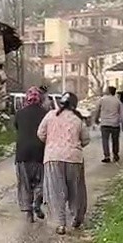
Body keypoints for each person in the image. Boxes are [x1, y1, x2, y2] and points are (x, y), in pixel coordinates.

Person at [38, 91, 90, 235]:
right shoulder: (77, 119)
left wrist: (52, 143)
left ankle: (60, 223)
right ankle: (76, 218)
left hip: (53, 157)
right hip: (74, 158)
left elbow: (40, 134)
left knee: (56, 191)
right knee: (76, 190)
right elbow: (85, 139)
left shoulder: (50, 116)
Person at [14, 87, 47, 223]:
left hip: (22, 153)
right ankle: (37, 202)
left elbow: (17, 127)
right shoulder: (46, 114)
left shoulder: (19, 114)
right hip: (40, 153)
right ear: (40, 99)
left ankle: (28, 213)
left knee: (24, 184)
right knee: (41, 182)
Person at [94, 86, 123, 163]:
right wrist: (121, 122)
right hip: (115, 124)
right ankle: (115, 155)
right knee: (115, 140)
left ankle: (107, 156)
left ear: (109, 91)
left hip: (105, 123)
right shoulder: (117, 101)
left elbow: (97, 110)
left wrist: (96, 119)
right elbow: (121, 113)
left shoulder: (102, 99)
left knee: (105, 140)